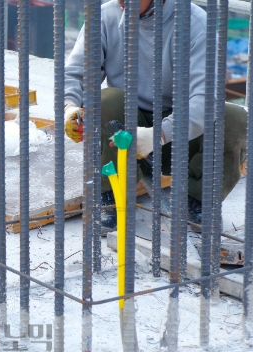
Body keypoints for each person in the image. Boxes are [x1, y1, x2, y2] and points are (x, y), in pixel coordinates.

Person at [63, 0, 247, 233]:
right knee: (106, 100)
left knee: (234, 118)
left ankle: (200, 200)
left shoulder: (196, 23)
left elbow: (206, 98)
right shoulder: (104, 17)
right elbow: (76, 73)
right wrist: (69, 107)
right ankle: (110, 194)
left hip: (180, 135)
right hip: (124, 128)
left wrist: (159, 134)